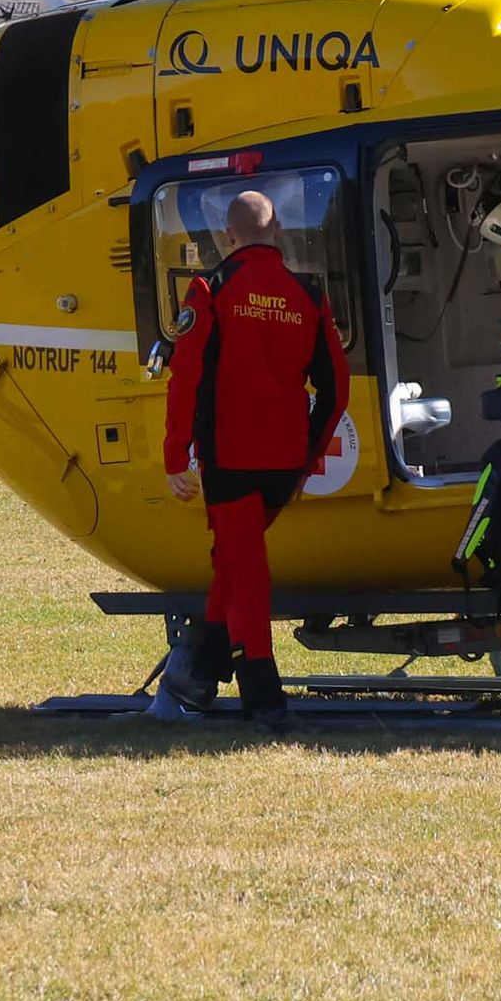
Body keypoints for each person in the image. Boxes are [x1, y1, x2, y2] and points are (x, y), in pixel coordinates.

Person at [162, 189, 350, 723]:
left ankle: (263, 694)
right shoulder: (307, 295)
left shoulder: (210, 289)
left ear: (228, 236)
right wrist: (305, 460)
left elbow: (186, 378)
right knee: (234, 558)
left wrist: (176, 454)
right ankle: (197, 676)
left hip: (230, 457)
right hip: (283, 461)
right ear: (279, 229)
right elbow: (335, 391)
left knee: (247, 572)